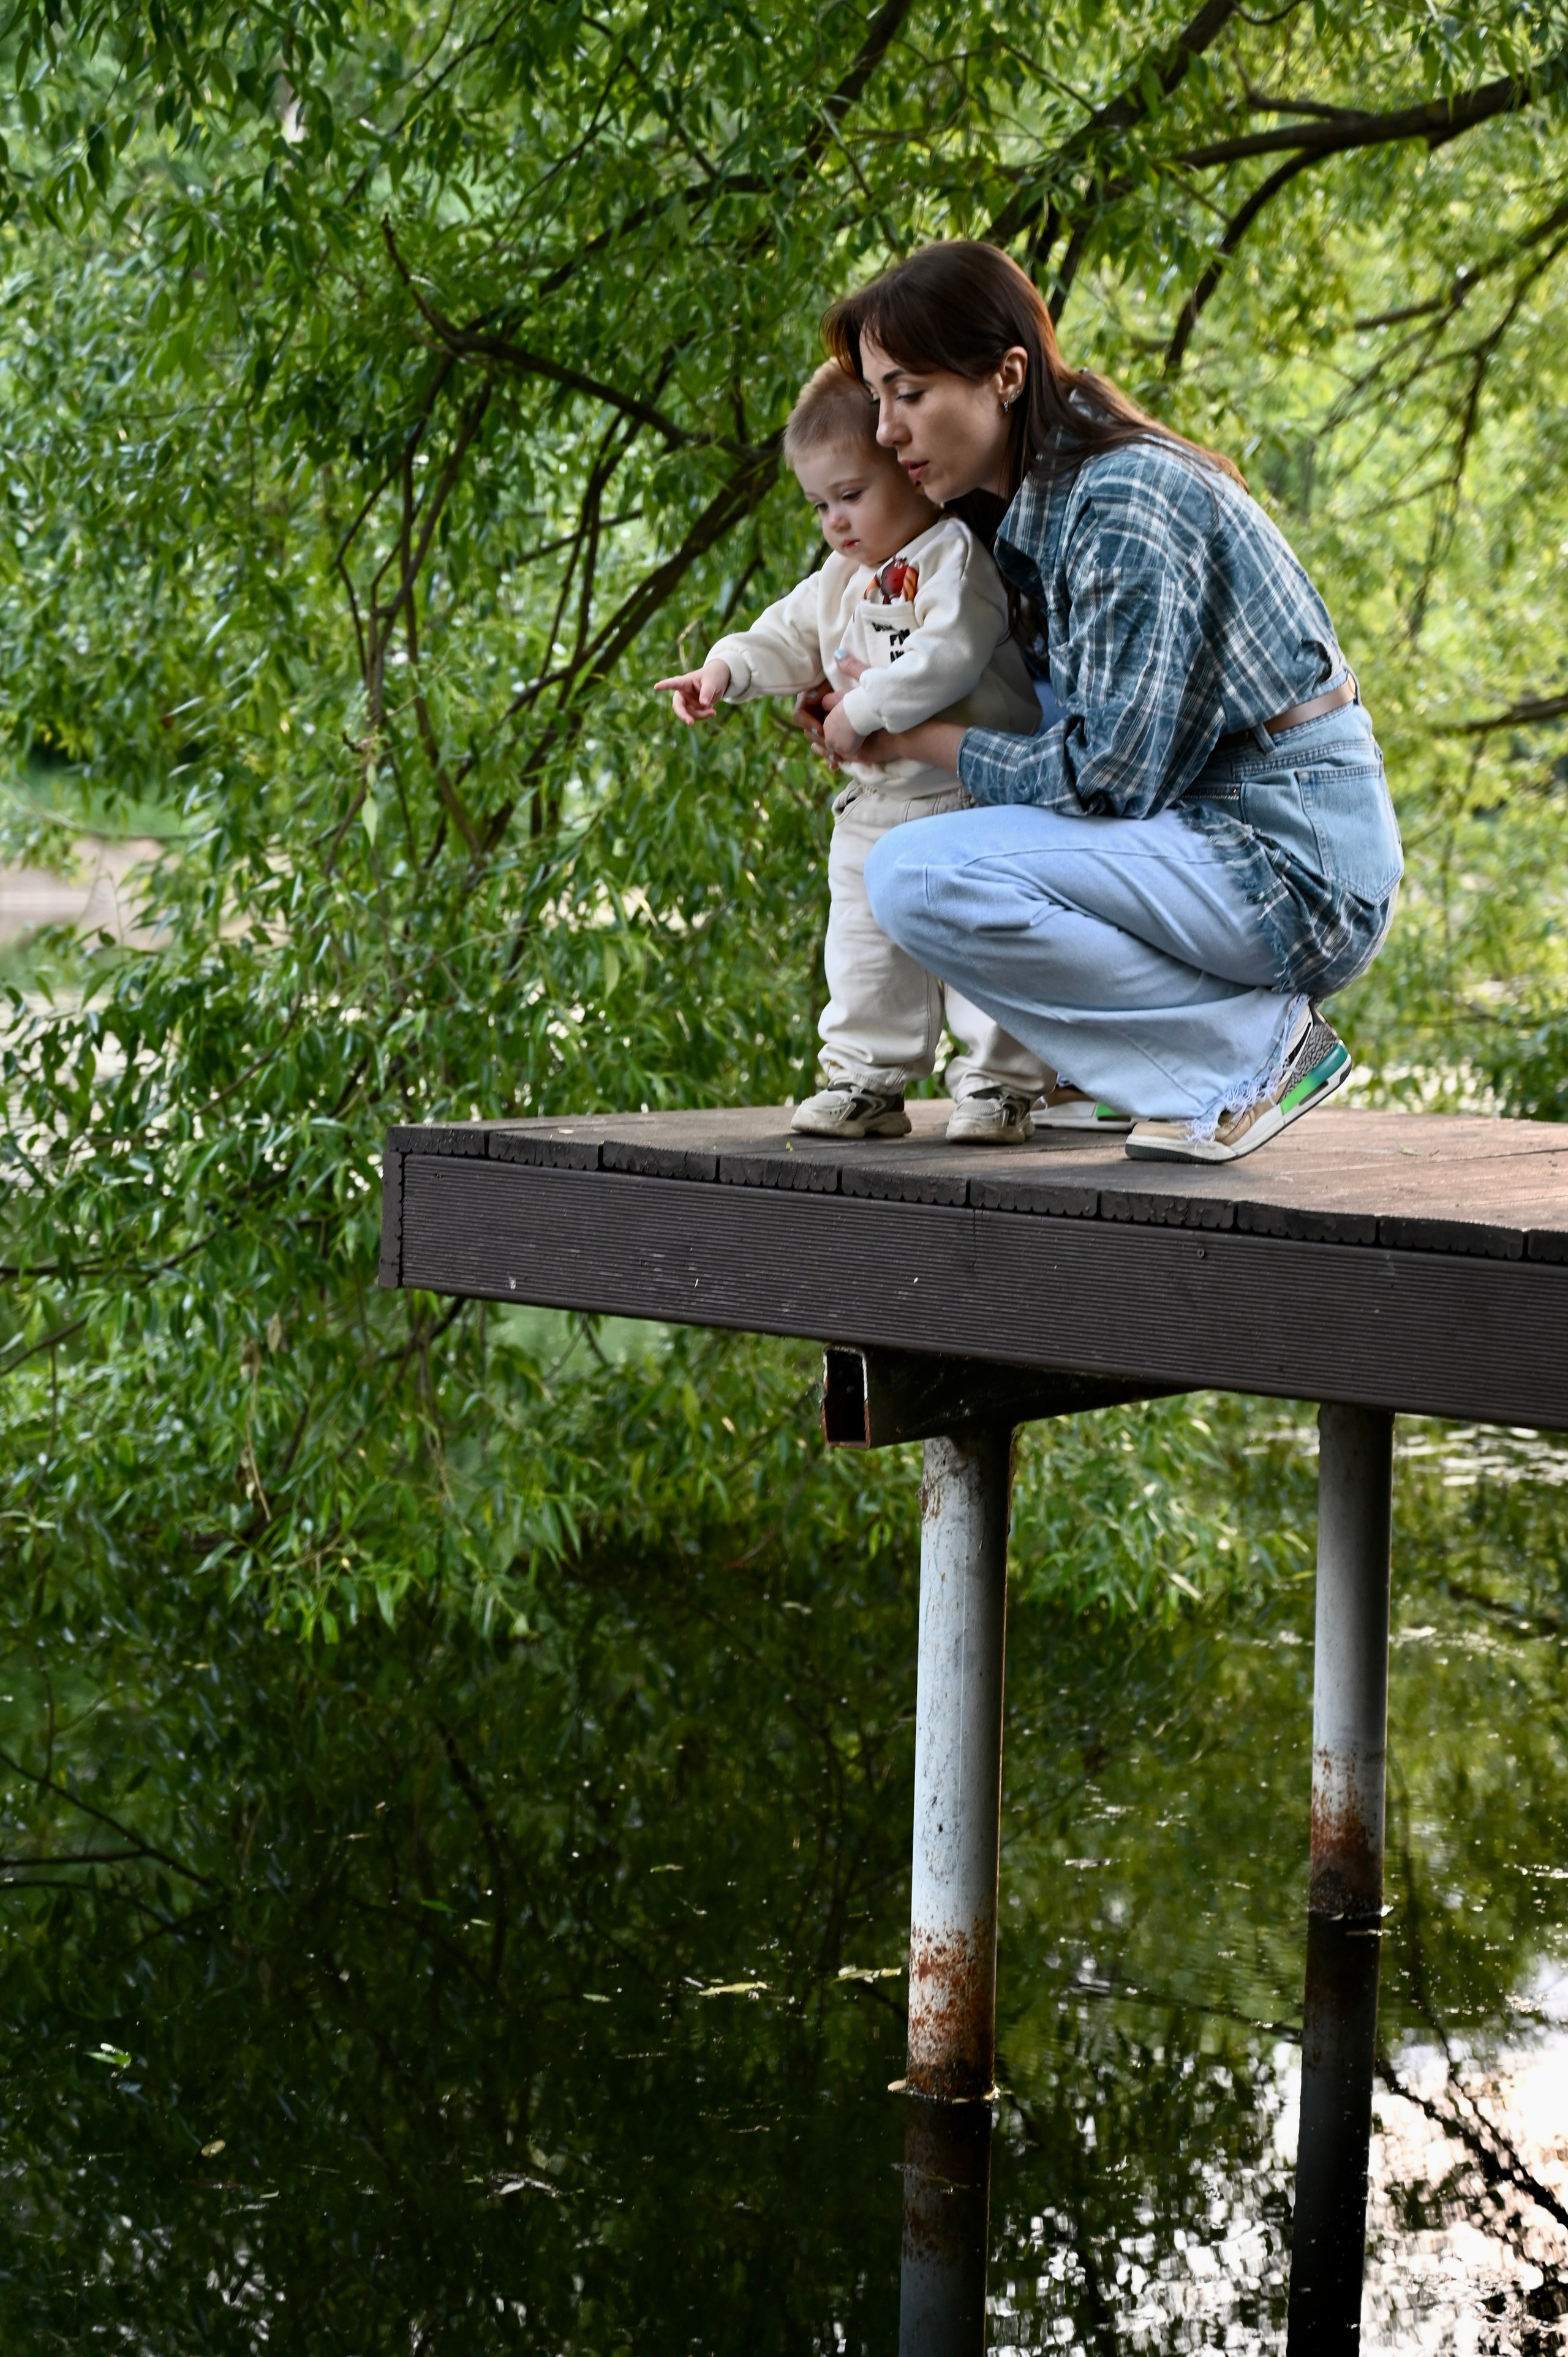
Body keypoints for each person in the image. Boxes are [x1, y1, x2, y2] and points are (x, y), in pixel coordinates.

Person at [807, 241, 1403, 1164]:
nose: (885, 432)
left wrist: (922, 737)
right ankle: (1137, 1064)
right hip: (1211, 841)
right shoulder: (1029, 513)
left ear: (1005, 375)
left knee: (916, 874)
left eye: (909, 393)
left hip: (1289, 867)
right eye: (879, 399)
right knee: (949, 809)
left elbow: (1108, 778)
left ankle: (1245, 1057)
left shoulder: (1124, 500)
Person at [655, 359, 1055, 1145]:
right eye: (819, 505)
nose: (836, 522)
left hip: (970, 792)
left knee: (984, 937)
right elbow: (783, 633)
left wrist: (860, 713)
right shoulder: (840, 579)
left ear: (912, 475)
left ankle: (1000, 1083)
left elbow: (950, 653)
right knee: (864, 944)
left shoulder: (955, 557)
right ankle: (868, 1077)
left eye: (851, 495)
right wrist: (724, 671)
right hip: (877, 802)